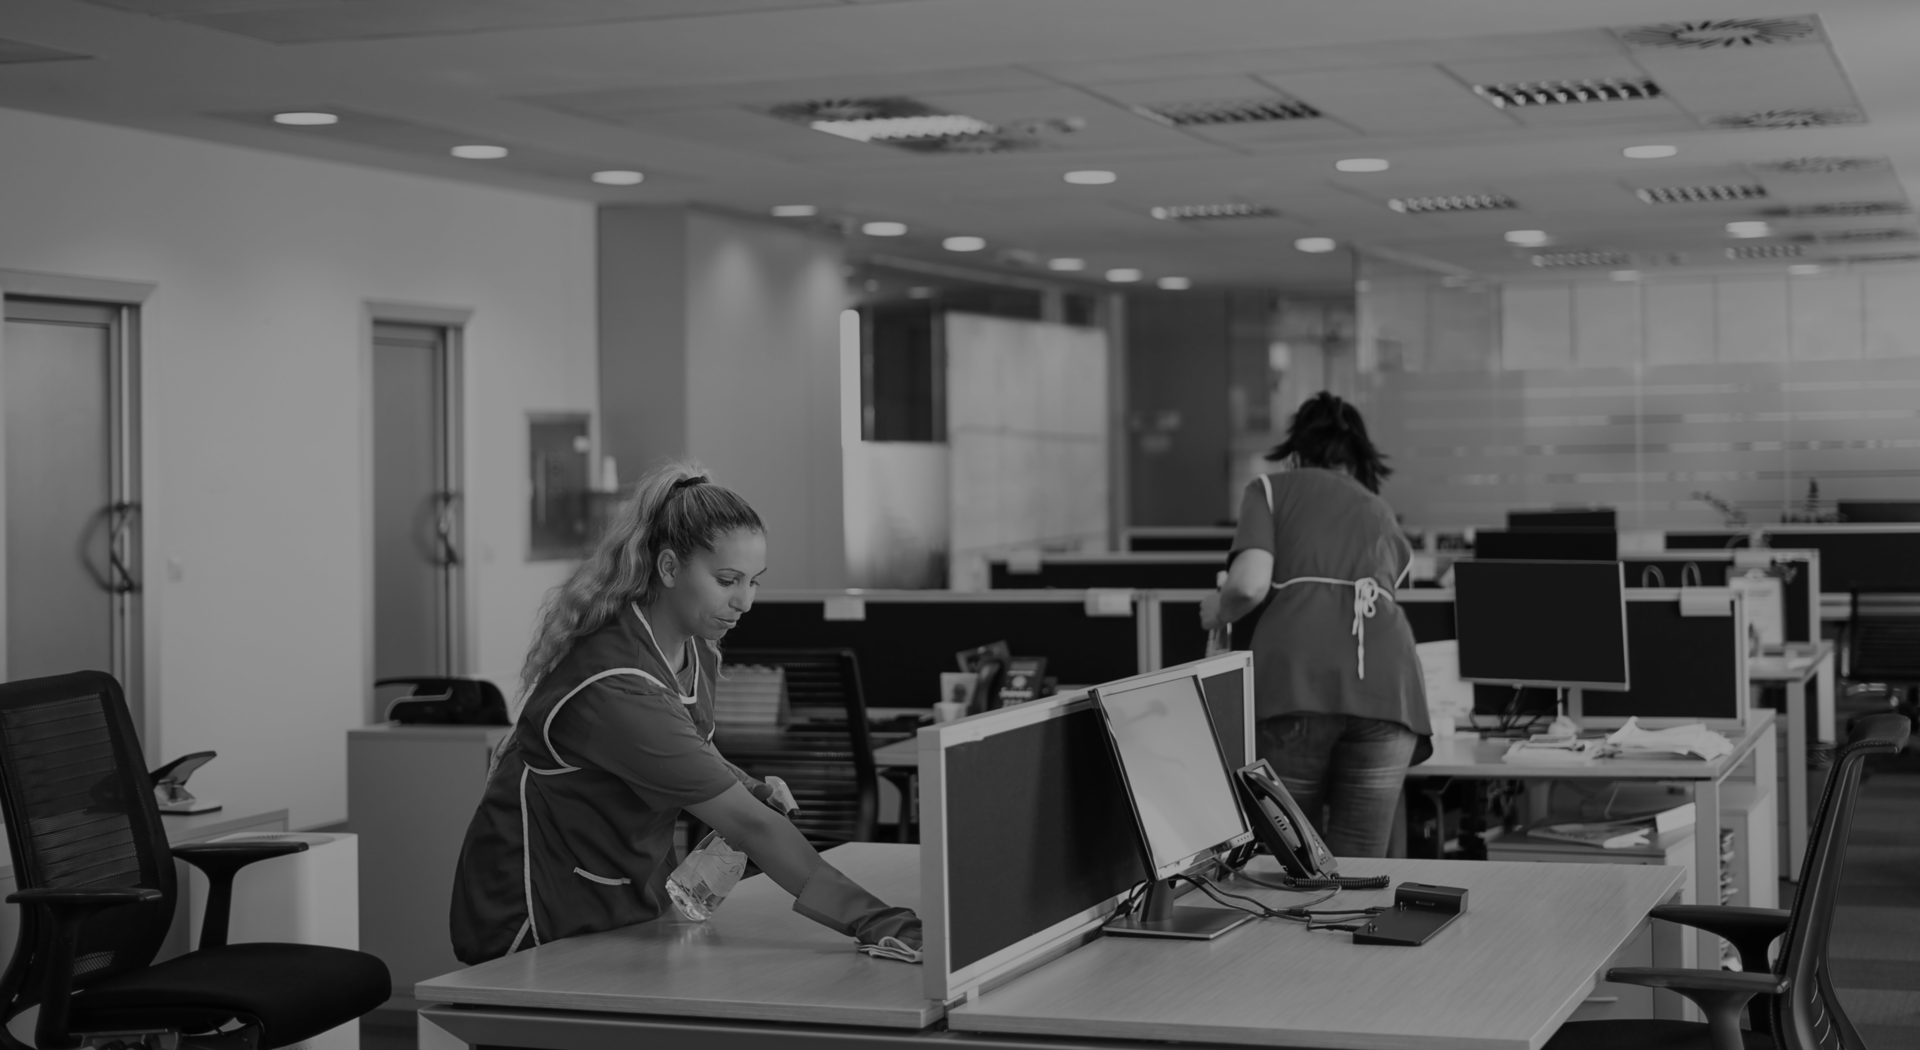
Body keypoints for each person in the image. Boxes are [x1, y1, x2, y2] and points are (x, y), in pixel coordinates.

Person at [450, 463, 919, 963]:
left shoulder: (694, 647)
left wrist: (744, 785)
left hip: (620, 900)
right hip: (540, 920)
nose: (745, 601)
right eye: (727, 580)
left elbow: (688, 744)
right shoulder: (617, 690)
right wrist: (875, 919)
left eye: (754, 581)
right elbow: (749, 827)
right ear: (669, 568)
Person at [1199, 392, 1430, 857]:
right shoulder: (1379, 512)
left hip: (1299, 684)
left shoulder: (1270, 490)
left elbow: (1247, 585)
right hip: (1390, 693)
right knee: (1358, 864)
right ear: (1359, 457)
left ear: (1297, 451)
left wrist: (1216, 611)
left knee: (1289, 862)